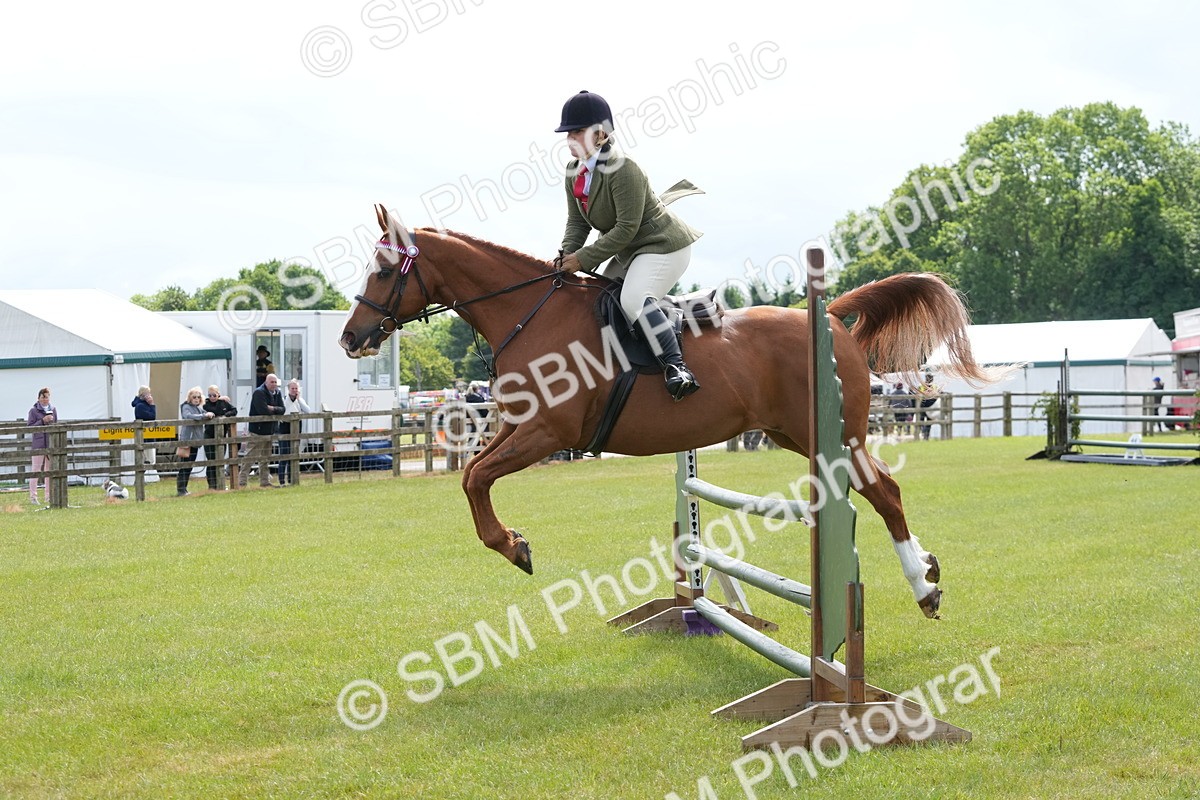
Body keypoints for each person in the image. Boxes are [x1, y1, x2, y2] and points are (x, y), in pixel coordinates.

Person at [554, 89, 704, 401]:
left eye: (577, 132)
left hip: (664, 246)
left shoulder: (624, 168)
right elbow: (578, 223)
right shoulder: (573, 172)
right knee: (599, 300)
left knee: (633, 299)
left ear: (600, 134)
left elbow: (626, 228)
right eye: (568, 133)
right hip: (630, 250)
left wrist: (582, 260)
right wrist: (566, 254)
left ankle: (677, 368)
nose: (570, 139)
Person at [240, 373, 284, 488]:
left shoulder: (278, 392)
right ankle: (241, 482)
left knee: (265, 458)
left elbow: (283, 409)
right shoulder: (258, 392)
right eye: (271, 382)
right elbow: (263, 410)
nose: (274, 384)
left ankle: (264, 482)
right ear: (266, 382)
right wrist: (274, 409)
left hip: (269, 431)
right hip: (257, 431)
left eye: (275, 382)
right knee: (249, 457)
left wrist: (272, 408)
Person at [176, 387, 210, 496]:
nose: (196, 399)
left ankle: (184, 488)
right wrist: (203, 416)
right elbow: (188, 416)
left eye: (198, 397)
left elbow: (206, 413)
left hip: (195, 441)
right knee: (185, 466)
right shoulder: (186, 406)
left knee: (189, 465)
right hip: (187, 440)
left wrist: (209, 414)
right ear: (190, 397)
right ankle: (181, 489)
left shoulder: (199, 408)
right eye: (194, 397)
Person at [203, 385, 237, 490]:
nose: (212, 397)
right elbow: (213, 411)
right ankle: (212, 485)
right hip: (209, 435)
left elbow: (234, 411)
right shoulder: (205, 404)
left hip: (222, 435)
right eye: (210, 395)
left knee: (221, 459)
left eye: (214, 395)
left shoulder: (224, 403)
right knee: (211, 460)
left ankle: (220, 483)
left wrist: (225, 415)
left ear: (218, 394)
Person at [278, 379, 311, 486]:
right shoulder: (283, 399)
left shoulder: (300, 400)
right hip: (285, 426)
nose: (294, 390)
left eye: (296, 388)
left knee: (294, 453)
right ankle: (282, 481)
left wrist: (299, 399)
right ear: (288, 389)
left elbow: (308, 410)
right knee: (284, 454)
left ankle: (292, 480)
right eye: (292, 388)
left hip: (297, 426)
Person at [26, 387, 56, 505]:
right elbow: (30, 427)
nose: (45, 399)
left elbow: (56, 425)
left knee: (49, 471)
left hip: (50, 444)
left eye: (47, 397)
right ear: (38, 398)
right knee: (36, 471)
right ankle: (33, 497)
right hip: (38, 444)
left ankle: (48, 496)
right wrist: (42, 421)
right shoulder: (33, 411)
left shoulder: (53, 409)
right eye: (43, 397)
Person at [131, 385, 159, 480]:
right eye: (148, 394)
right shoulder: (140, 406)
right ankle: (139, 479)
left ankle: (141, 479)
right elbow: (152, 417)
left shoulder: (143, 405)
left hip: (149, 434)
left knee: (148, 458)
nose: (150, 396)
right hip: (145, 435)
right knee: (147, 458)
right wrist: (152, 405)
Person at [914, 372, 939, 440]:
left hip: (923, 404)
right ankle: (926, 436)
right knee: (928, 422)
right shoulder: (934, 386)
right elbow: (937, 395)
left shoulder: (921, 385)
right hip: (930, 405)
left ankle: (923, 433)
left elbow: (917, 395)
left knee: (921, 420)